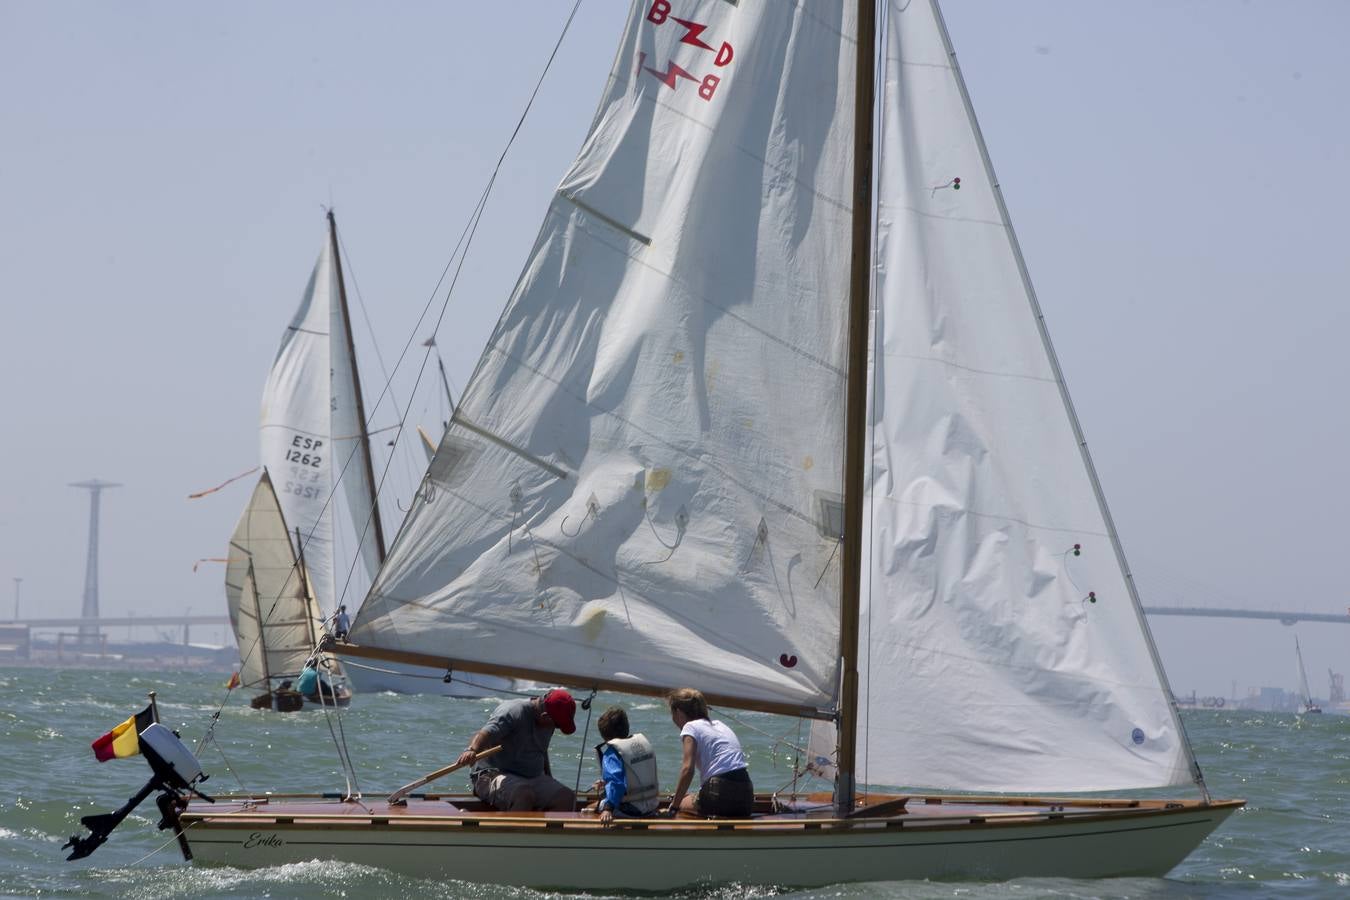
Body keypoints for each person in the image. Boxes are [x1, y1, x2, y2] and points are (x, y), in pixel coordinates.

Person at [456, 689, 578, 812]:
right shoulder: (513, 711)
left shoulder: (549, 721)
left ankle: (542, 830)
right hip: (492, 775)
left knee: (566, 798)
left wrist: (549, 778)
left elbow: (542, 751)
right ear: (545, 716)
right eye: (557, 725)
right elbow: (485, 733)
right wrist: (471, 750)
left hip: (532, 778)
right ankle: (511, 830)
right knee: (524, 794)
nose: (555, 728)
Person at [664, 687, 753, 818]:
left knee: (682, 805)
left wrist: (674, 806)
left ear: (678, 712)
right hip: (746, 796)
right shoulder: (720, 724)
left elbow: (687, 770)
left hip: (719, 793)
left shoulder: (690, 727)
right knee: (691, 798)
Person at [589, 706, 660, 827]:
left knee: (590, 808)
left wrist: (608, 809)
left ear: (604, 735)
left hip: (631, 810)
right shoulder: (638, 747)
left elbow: (616, 783)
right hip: (651, 805)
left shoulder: (611, 754)